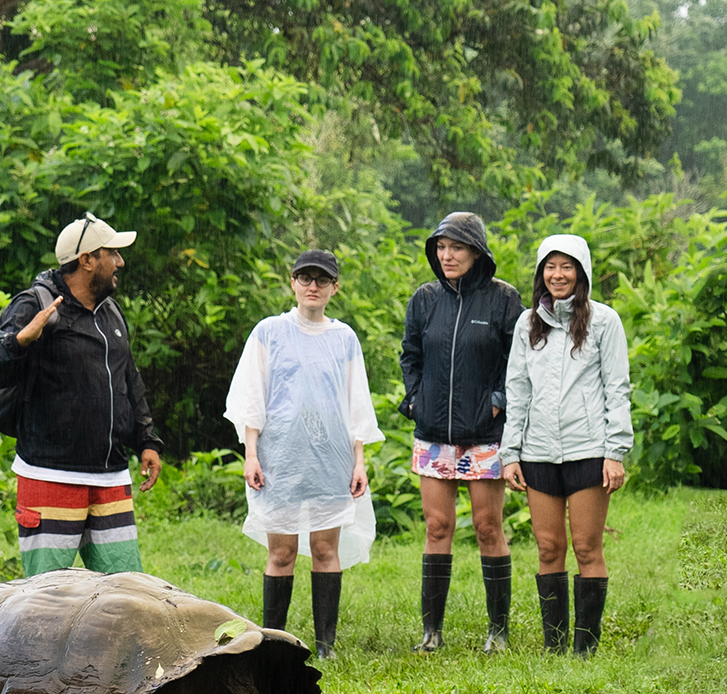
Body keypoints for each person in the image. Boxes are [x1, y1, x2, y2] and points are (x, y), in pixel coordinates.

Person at [0, 212, 163, 576]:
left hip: (110, 478)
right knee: (45, 599)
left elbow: (128, 378)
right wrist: (21, 340)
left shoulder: (111, 311)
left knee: (127, 595)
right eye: (113, 253)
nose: (120, 262)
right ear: (87, 260)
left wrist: (147, 441)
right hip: (49, 477)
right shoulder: (34, 304)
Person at [224, 249, 384, 659]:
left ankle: (325, 644)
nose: (313, 286)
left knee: (326, 550)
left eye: (322, 279)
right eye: (305, 278)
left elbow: (356, 403)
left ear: (335, 287)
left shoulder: (344, 338)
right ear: (292, 283)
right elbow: (250, 398)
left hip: (331, 461)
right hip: (280, 460)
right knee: (282, 552)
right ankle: (274, 645)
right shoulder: (269, 332)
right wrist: (252, 453)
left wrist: (359, 459)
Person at [499, 234, 632, 656]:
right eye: (550, 267)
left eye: (567, 266)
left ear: (582, 271)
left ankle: (585, 648)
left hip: (589, 450)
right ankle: (555, 647)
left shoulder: (605, 321)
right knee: (549, 547)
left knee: (587, 546)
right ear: (541, 273)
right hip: (537, 452)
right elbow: (516, 390)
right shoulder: (527, 324)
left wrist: (615, 452)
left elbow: (617, 388)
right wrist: (510, 453)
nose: (558, 275)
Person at [399, 212, 524, 653]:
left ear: (477, 251)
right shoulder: (425, 299)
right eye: (440, 247)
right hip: (433, 433)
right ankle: (431, 632)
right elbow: (410, 353)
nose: (446, 255)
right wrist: (415, 398)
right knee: (437, 527)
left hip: (485, 436)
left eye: (456, 247)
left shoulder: (504, 300)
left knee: (489, 527)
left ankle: (499, 631)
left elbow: (519, 363)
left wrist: (499, 401)